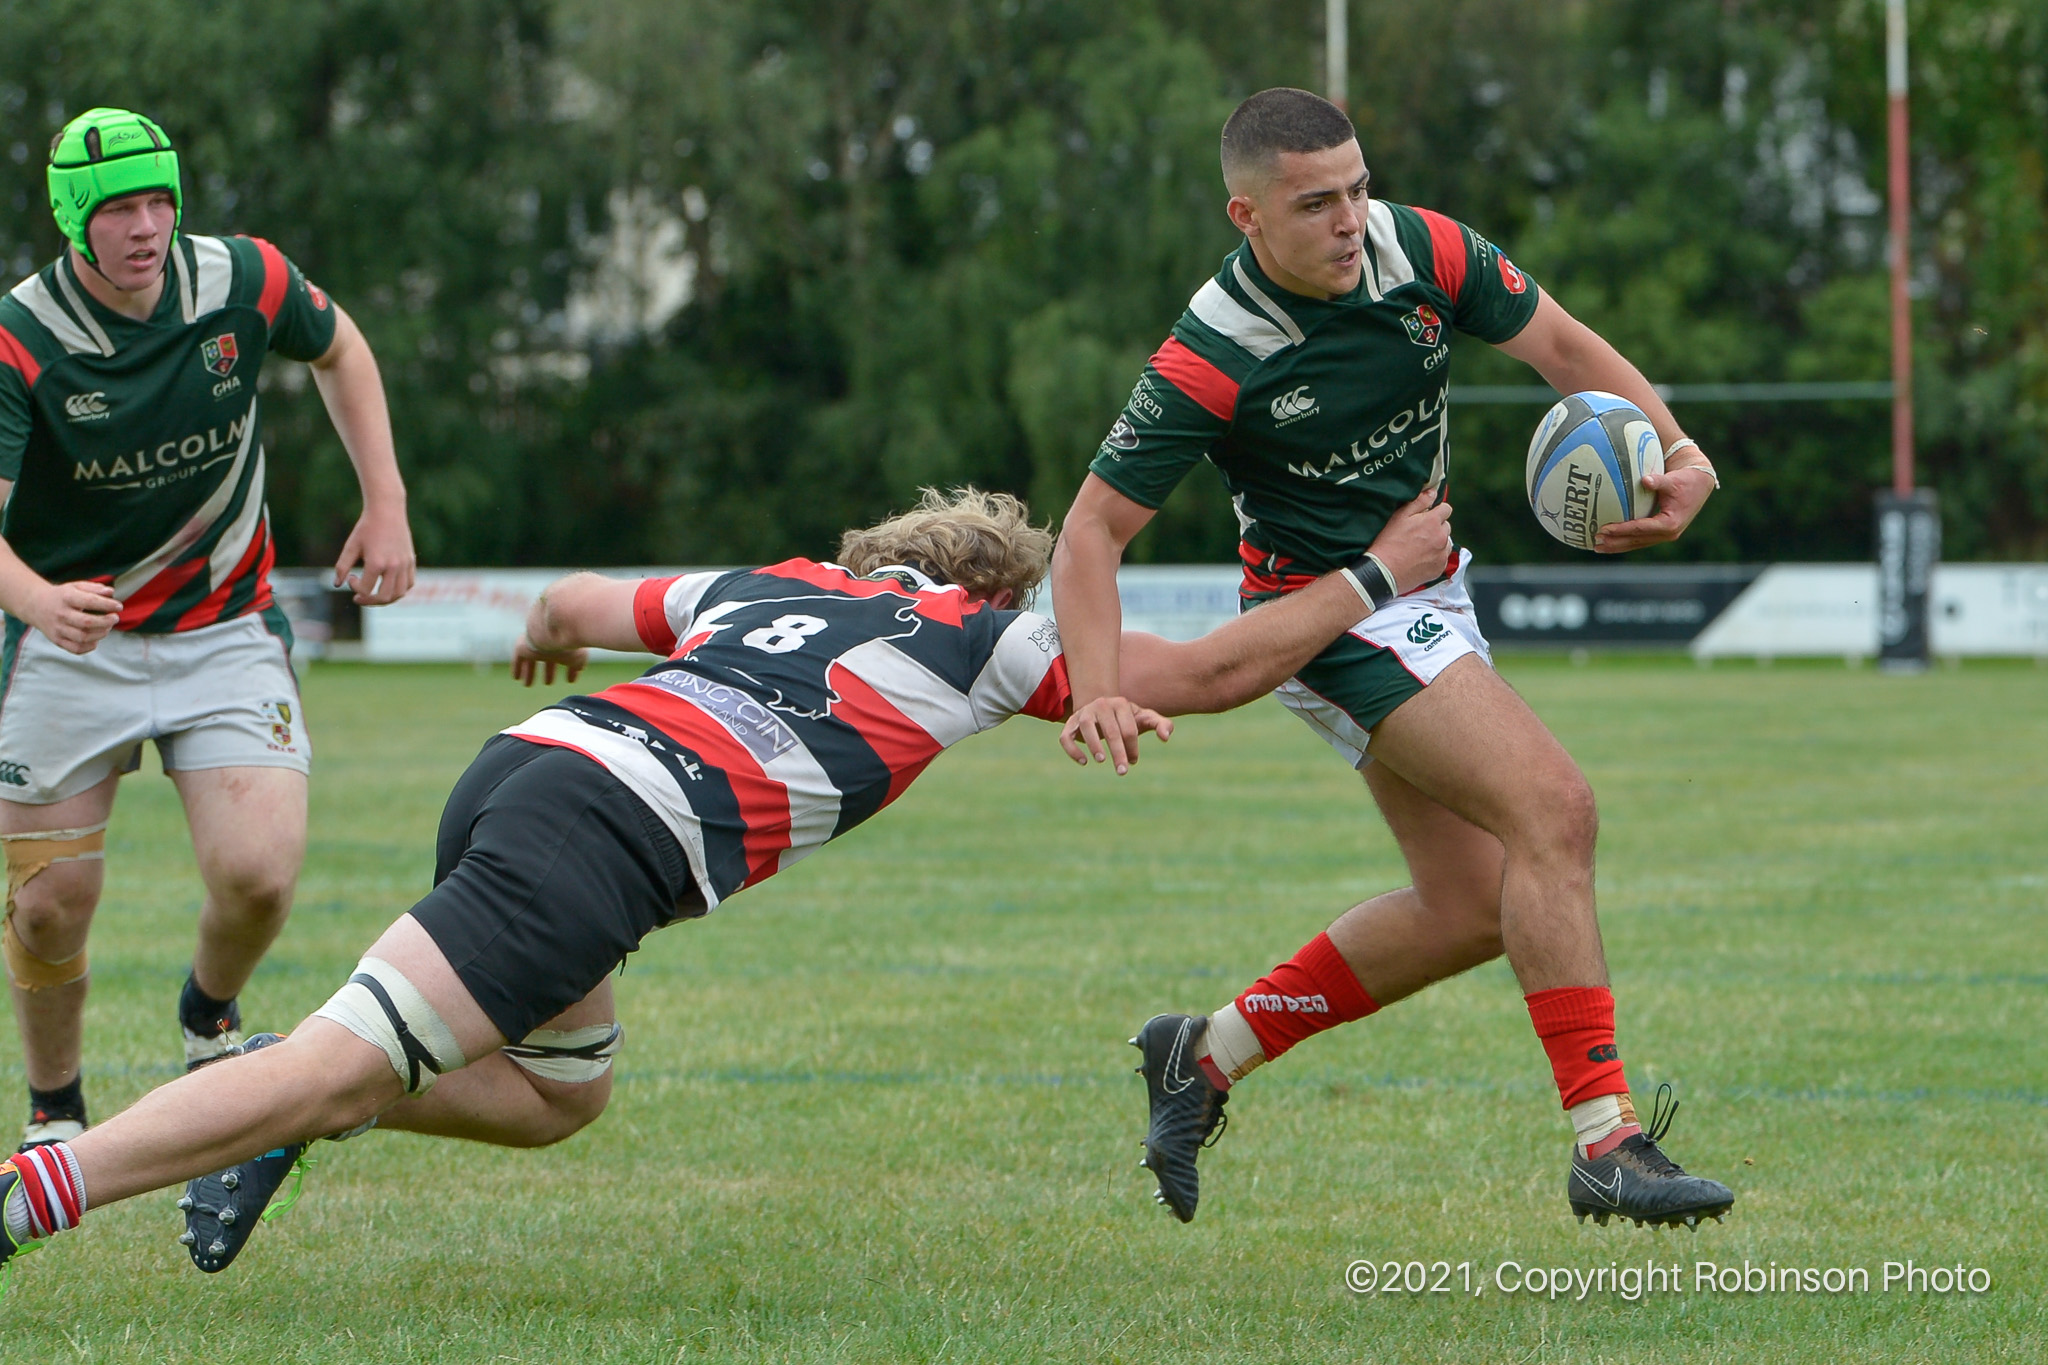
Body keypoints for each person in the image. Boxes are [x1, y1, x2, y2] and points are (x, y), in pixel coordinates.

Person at [0, 484, 1456, 1279]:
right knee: (335, 1071)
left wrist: (558, 639)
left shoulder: (772, 584)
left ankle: (263, 1092)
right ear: (998, 585)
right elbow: (1203, 675)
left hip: (528, 770)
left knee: (562, 1090)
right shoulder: (994, 636)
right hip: (609, 838)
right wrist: (1381, 570)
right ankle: (39, 1190)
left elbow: (569, 604)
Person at [1050, 88, 1734, 1229]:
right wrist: (1095, 689)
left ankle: (1201, 1053)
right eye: (1315, 203)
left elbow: (1562, 346)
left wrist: (1675, 447)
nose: (1349, 219)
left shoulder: (1417, 249)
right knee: (1553, 810)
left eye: (1357, 188)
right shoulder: (1214, 352)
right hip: (1335, 617)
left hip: (1428, 585)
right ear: (1246, 216)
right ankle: (1605, 1139)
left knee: (1472, 904)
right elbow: (1087, 534)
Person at [0, 108, 415, 1152]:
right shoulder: (22, 338)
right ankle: (55, 1104)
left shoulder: (242, 280)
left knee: (260, 875)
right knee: (48, 908)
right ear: (72, 222)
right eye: (117, 210)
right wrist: (37, 602)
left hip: (223, 627)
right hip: (64, 645)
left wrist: (386, 501)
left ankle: (207, 1012)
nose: (144, 227)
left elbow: (343, 346)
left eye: (159, 202)